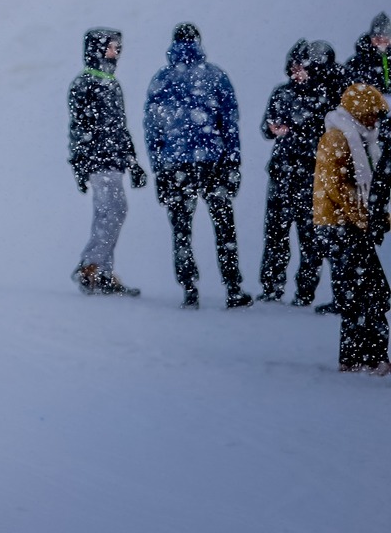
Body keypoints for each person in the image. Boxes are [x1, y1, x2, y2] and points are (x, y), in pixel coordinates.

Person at [144, 23, 251, 308]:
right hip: (211, 161)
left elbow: (153, 128)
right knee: (224, 225)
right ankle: (233, 287)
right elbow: (229, 124)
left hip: (175, 165)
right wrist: (232, 162)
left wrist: (159, 166)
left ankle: (189, 287)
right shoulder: (215, 76)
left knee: (181, 229)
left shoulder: (162, 79)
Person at [313, 83, 388, 372]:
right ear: (360, 111)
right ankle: (368, 357)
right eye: (373, 113)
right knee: (367, 292)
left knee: (360, 292)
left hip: (344, 225)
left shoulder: (359, 138)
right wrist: (364, 218)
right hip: (338, 227)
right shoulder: (337, 138)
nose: (376, 120)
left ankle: (358, 356)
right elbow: (336, 187)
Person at [67, 27, 146, 295]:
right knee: (112, 212)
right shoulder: (85, 83)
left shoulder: (111, 84)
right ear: (96, 49)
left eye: (117, 47)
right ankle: (91, 266)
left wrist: (132, 161)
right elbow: (78, 128)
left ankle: (101, 271)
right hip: (98, 160)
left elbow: (121, 128)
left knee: (110, 213)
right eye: (111, 47)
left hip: (113, 159)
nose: (116, 52)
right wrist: (80, 163)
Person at [258, 40, 337, 305]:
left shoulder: (324, 96)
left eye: (301, 67)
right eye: (293, 67)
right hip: (282, 174)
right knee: (276, 235)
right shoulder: (281, 93)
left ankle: (305, 292)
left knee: (310, 239)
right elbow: (265, 127)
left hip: (311, 177)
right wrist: (272, 129)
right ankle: (272, 287)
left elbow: (325, 133)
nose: (296, 73)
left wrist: (299, 129)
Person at [342, 12, 390, 96]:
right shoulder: (356, 64)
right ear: (371, 38)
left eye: (386, 38)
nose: (382, 42)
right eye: (378, 38)